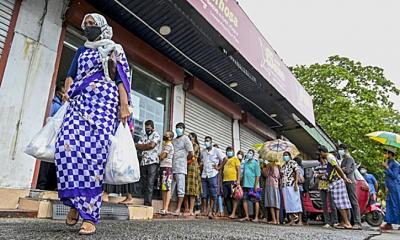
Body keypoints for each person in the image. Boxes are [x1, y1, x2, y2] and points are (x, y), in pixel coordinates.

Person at [56, 13, 131, 235]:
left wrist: (124, 105)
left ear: (101, 26)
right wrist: (67, 90)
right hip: (79, 104)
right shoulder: (81, 50)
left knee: (93, 158)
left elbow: (121, 78)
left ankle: (88, 214)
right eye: (85, 24)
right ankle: (73, 203)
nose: (87, 27)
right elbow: (71, 75)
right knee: (65, 148)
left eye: (92, 24)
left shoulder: (113, 48)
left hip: (104, 108)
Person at [37, 84, 65, 191]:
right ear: (59, 93)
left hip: (56, 139)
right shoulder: (55, 105)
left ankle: (48, 185)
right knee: (46, 162)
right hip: (50, 138)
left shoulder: (61, 105)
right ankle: (42, 186)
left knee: (53, 163)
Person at [318, 145, 353, 229]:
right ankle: (344, 222)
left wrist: (344, 177)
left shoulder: (330, 157)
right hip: (336, 181)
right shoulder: (331, 157)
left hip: (336, 182)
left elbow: (337, 168)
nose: (320, 156)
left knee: (340, 203)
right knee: (344, 203)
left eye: (320, 153)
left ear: (322, 152)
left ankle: (347, 223)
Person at [133, 120, 161, 206]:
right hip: (144, 162)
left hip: (153, 162)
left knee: (150, 183)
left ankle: (148, 203)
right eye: (146, 128)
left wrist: (144, 146)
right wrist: (146, 146)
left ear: (152, 128)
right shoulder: (144, 136)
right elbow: (137, 146)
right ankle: (145, 200)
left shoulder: (156, 135)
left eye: (148, 128)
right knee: (144, 183)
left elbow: (151, 145)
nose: (147, 130)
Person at [199, 136, 227, 218]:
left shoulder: (216, 150)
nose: (206, 142)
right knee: (204, 194)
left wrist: (219, 167)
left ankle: (210, 210)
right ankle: (204, 211)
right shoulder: (203, 151)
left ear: (211, 142)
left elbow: (225, 159)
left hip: (213, 174)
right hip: (204, 174)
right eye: (205, 141)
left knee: (213, 193)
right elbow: (201, 160)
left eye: (208, 141)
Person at [171, 123, 194, 215]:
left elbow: (191, 153)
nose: (178, 129)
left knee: (180, 188)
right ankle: (169, 208)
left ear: (183, 129)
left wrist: (184, 159)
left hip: (181, 167)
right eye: (177, 127)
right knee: (171, 188)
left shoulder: (186, 139)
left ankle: (178, 209)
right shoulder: (173, 140)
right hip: (172, 166)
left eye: (180, 128)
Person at [338, 143, 362, 230]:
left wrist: (342, 169)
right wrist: (342, 169)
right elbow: (341, 170)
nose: (339, 151)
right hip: (344, 182)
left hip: (350, 182)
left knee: (353, 202)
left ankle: (357, 222)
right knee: (345, 203)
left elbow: (347, 170)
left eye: (340, 149)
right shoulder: (344, 160)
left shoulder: (349, 159)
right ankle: (347, 221)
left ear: (345, 150)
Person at [314, 152, 338, 228]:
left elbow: (328, 174)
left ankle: (335, 221)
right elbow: (316, 175)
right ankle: (327, 221)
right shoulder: (317, 167)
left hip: (330, 185)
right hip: (321, 186)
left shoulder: (329, 165)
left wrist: (321, 175)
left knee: (332, 204)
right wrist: (323, 175)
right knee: (324, 205)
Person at [380, 147, 400, 231]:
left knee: (397, 204)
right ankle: (389, 224)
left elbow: (394, 176)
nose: (384, 155)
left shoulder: (396, 164)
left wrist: (387, 167)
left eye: (386, 153)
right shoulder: (388, 162)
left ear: (390, 154)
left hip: (395, 187)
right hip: (389, 187)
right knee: (389, 205)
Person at [281, 152, 303, 225]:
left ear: (290, 156)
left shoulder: (293, 162)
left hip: (292, 184)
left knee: (296, 202)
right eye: (284, 155)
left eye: (286, 155)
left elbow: (297, 172)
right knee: (288, 204)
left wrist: (296, 183)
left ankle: (300, 220)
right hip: (285, 185)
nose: (285, 157)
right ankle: (292, 220)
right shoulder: (284, 165)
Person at [240, 149, 261, 222]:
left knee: (255, 201)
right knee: (244, 200)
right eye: (248, 152)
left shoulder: (255, 163)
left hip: (253, 185)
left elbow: (258, 175)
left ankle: (256, 217)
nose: (249, 154)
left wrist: (255, 185)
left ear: (253, 155)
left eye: (251, 153)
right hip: (245, 184)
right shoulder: (245, 162)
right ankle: (247, 216)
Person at [183, 132, 202, 216]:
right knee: (185, 189)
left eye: (191, 137)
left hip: (193, 169)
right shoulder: (186, 145)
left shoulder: (195, 146)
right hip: (185, 167)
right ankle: (186, 208)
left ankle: (191, 209)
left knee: (192, 191)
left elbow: (192, 156)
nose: (189, 138)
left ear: (194, 138)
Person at [157, 131, 174, 215]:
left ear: (171, 137)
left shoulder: (168, 145)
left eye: (166, 135)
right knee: (164, 188)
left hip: (167, 168)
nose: (165, 136)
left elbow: (162, 156)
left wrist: (160, 155)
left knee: (166, 188)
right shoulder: (165, 145)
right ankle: (164, 208)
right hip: (163, 167)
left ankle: (166, 208)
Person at [223, 147, 241, 219]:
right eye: (228, 151)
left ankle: (234, 213)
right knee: (226, 197)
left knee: (234, 197)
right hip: (225, 181)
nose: (229, 152)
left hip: (233, 180)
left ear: (233, 151)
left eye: (230, 151)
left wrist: (238, 180)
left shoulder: (235, 159)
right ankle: (230, 212)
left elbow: (239, 170)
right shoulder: (226, 160)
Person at [263, 160, 281, 225]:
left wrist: (264, 167)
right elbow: (279, 176)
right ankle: (278, 220)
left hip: (270, 184)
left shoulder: (269, 165)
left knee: (271, 202)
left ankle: (274, 220)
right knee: (277, 203)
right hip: (276, 185)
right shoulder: (278, 166)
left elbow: (266, 174)